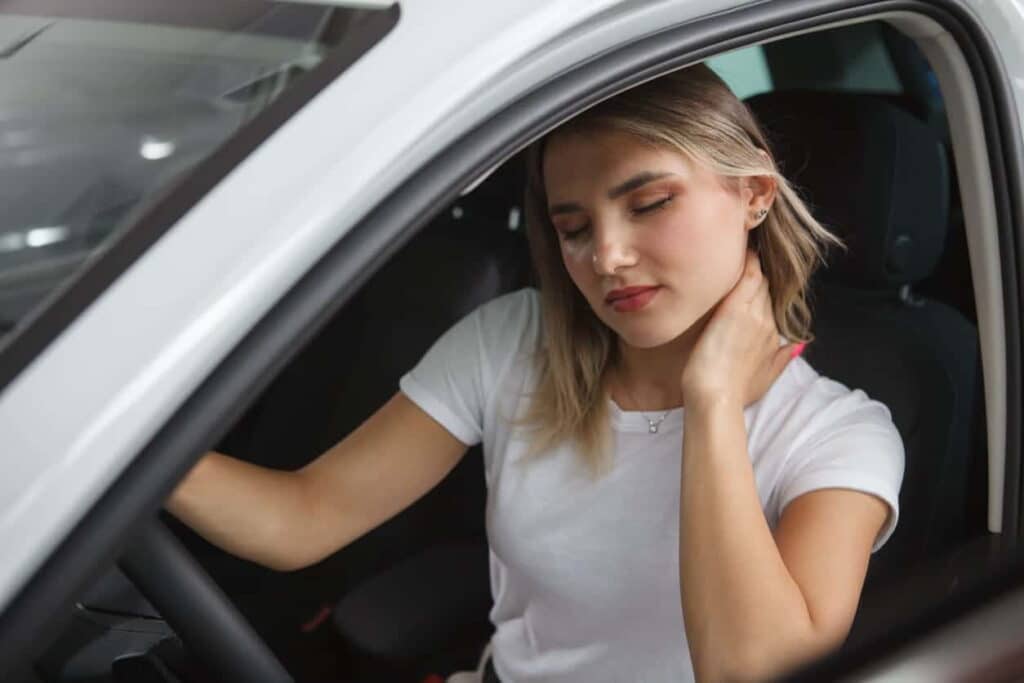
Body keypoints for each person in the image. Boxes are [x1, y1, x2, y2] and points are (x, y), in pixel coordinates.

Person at [167, 63, 904, 683]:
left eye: (648, 203)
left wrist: (709, 403)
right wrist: (109, 460)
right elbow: (303, 518)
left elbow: (753, 670)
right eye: (574, 227)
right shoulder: (515, 341)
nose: (606, 256)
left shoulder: (839, 436)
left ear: (754, 195)